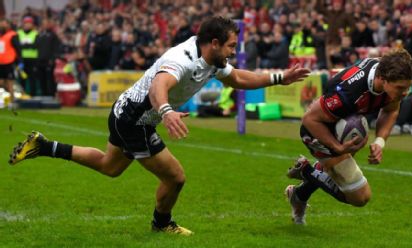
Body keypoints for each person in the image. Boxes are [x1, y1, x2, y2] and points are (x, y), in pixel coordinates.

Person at [8, 16, 310, 235]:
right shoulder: (183, 58)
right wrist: (166, 111)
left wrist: (280, 77)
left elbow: (239, 78)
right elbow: (159, 86)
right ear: (214, 43)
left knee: (109, 167)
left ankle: (44, 145)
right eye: (231, 45)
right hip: (134, 120)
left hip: (127, 113)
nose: (233, 50)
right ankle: (162, 224)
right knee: (176, 178)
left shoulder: (212, 59)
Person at [284, 49, 412, 224]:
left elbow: (391, 110)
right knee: (360, 197)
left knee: (331, 173)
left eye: (408, 87)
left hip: (343, 130)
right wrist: (337, 148)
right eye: (400, 88)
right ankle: (307, 170)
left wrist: (380, 141)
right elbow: (309, 120)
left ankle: (299, 194)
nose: (405, 93)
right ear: (382, 79)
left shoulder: (390, 73)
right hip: (318, 132)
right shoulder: (348, 92)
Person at [0, 19, 21, 105]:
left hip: (9, 62)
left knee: (9, 83)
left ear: (8, 25)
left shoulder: (12, 35)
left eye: (3, 23)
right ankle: (4, 100)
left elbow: (18, 49)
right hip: (1, 63)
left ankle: (12, 102)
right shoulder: (1, 36)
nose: (1, 25)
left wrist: (19, 61)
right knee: (1, 83)